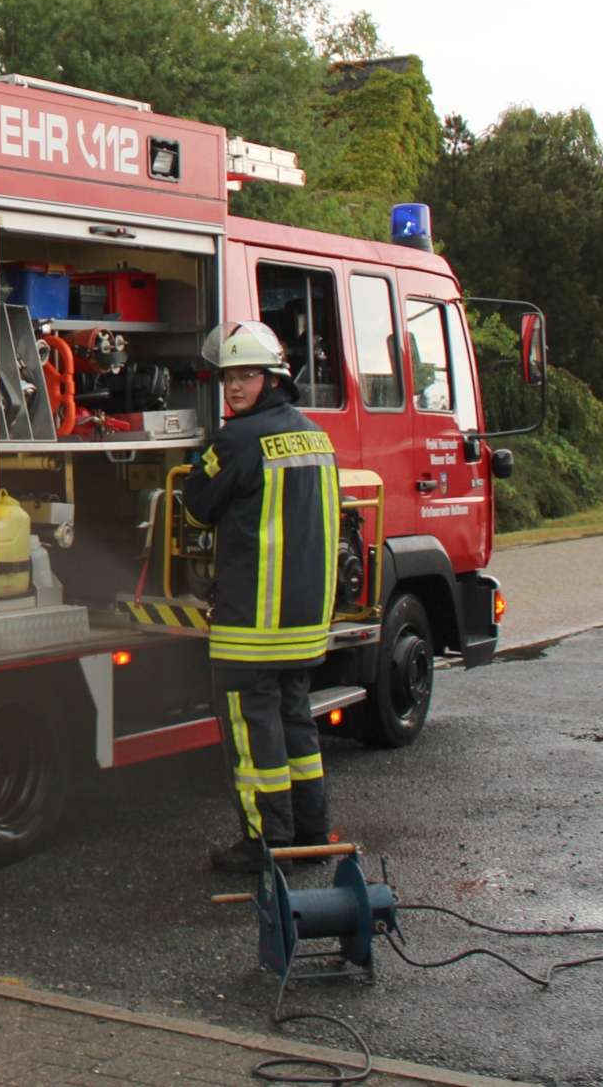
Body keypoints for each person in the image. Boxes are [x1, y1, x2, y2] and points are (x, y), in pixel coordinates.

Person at [182, 321, 342, 873]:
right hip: (304, 623)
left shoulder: (236, 440)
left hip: (251, 627)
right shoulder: (316, 436)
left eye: (246, 376)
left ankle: (264, 845)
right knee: (297, 724)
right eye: (228, 377)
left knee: (254, 744)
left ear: (273, 378)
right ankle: (311, 834)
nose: (233, 388)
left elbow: (197, 505)